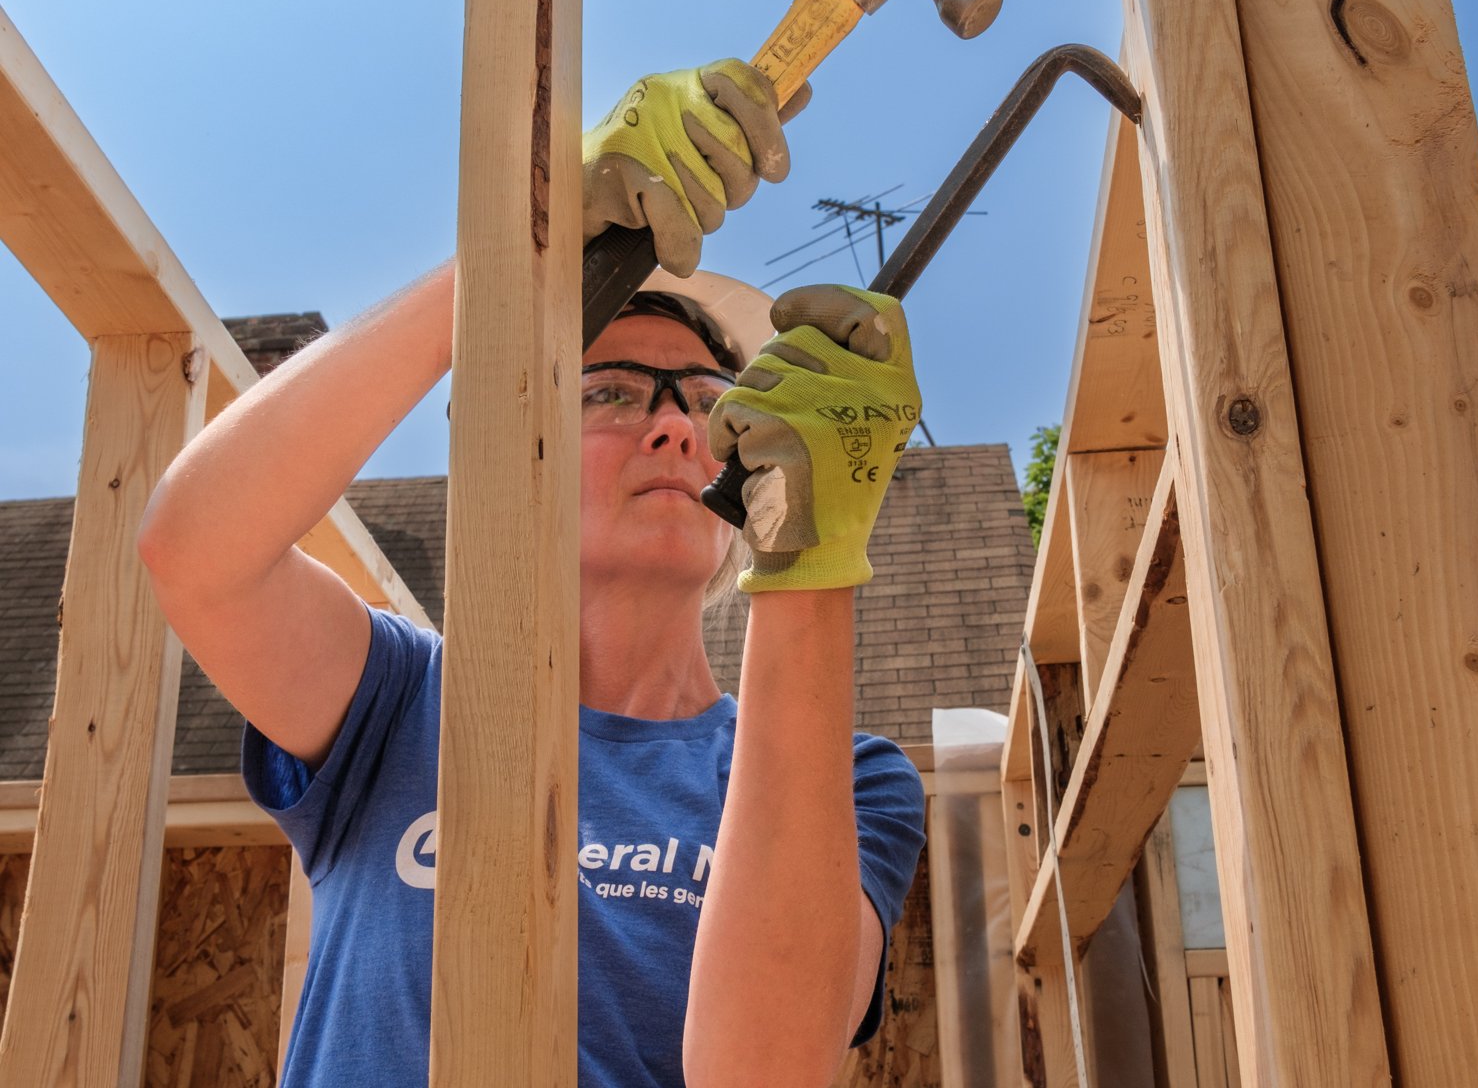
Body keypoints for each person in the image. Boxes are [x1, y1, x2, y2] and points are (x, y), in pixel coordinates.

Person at [138, 58, 928, 1088]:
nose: (672, 425)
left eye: (704, 398)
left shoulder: (854, 780)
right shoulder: (404, 705)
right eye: (610, 391)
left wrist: (811, 556)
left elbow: (762, 1069)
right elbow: (196, 548)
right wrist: (527, 245)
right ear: (524, 460)